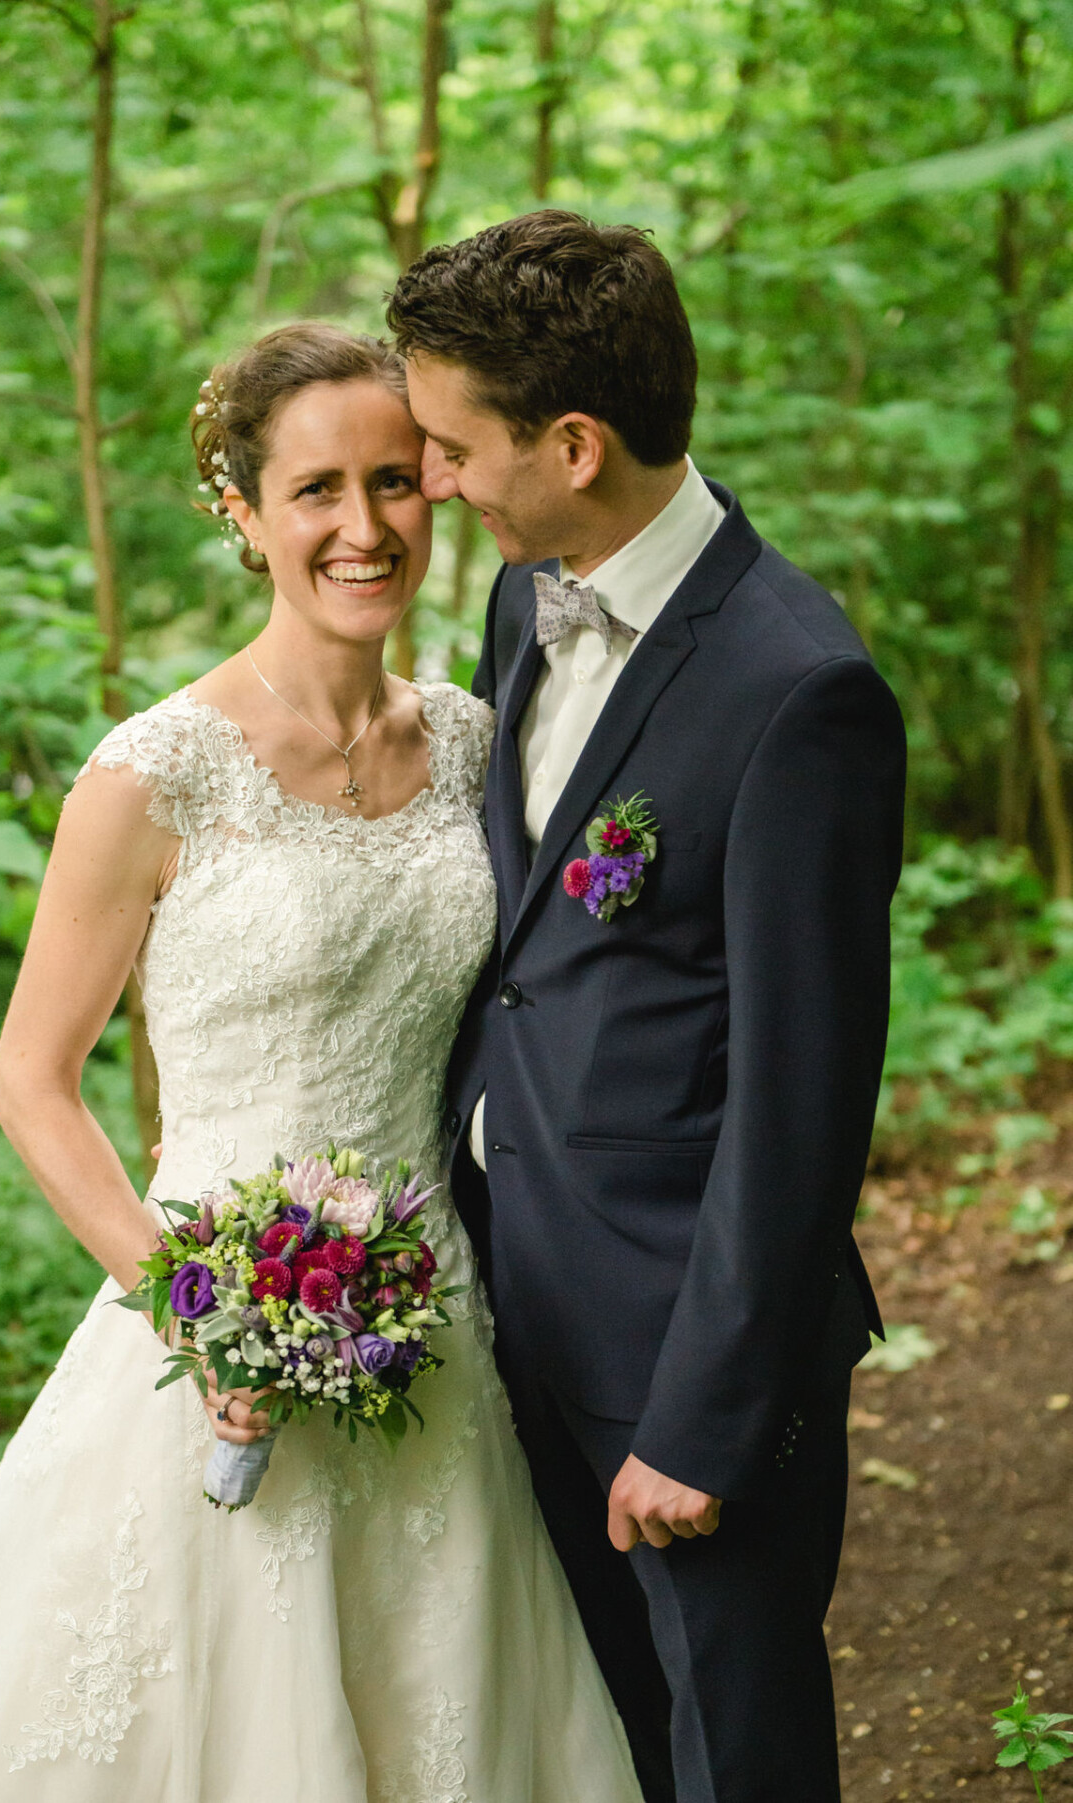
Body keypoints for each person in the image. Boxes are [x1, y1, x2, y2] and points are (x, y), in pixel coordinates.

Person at [0, 322, 643, 1803]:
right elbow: (32, 1080)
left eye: (396, 483)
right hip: (215, 1337)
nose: (364, 530)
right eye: (314, 492)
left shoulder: (483, 743)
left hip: (443, 1338)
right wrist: (197, 1307)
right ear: (242, 511)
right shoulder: (153, 773)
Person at [388, 211, 908, 1803]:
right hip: (522, 1308)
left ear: (572, 441)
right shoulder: (522, 601)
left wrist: (706, 1415)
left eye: (449, 445)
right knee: (601, 1741)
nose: (434, 483)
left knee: (729, 1749)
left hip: (686, 1347)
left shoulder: (799, 689)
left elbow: (804, 1104)